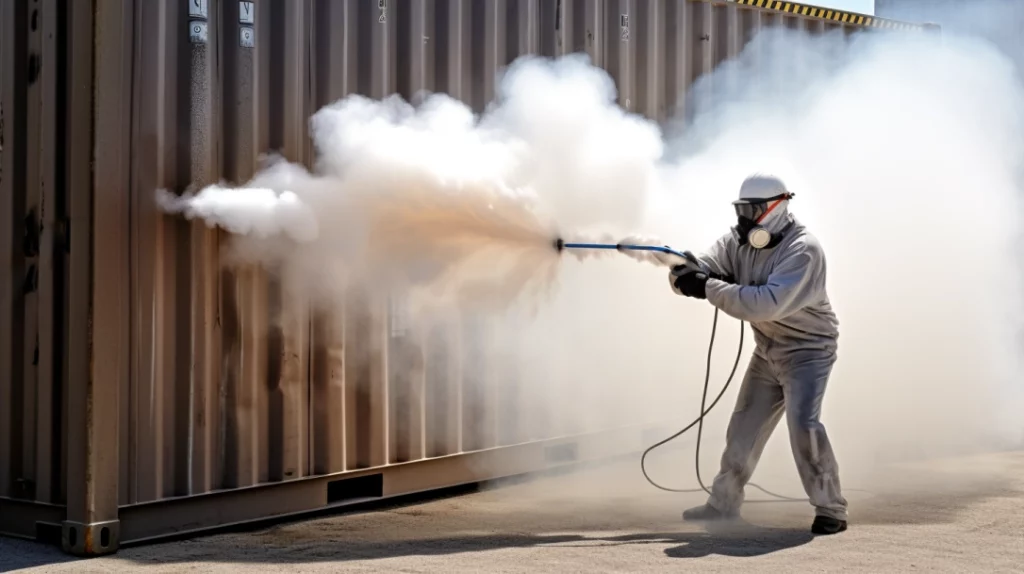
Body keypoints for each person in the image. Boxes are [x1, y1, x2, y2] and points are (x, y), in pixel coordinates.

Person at [669, 174, 848, 535]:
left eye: (753, 210)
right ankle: (722, 504)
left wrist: (707, 286)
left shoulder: (804, 250)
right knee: (742, 430)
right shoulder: (741, 242)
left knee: (804, 427)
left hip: (808, 352)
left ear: (778, 207)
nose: (745, 220)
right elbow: (708, 263)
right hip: (768, 350)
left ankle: (832, 509)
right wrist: (687, 272)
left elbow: (766, 304)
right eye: (742, 210)